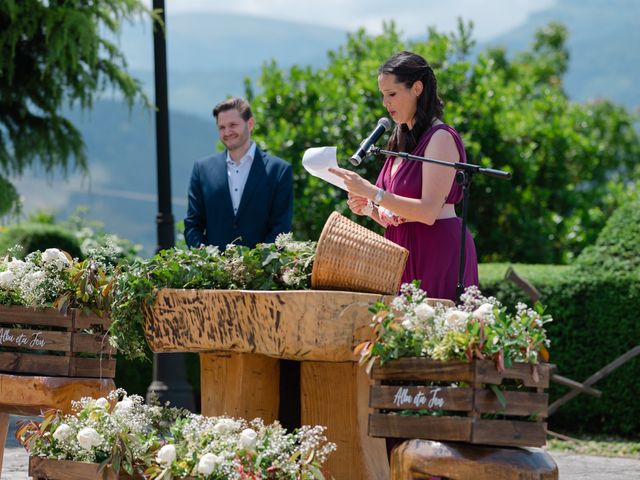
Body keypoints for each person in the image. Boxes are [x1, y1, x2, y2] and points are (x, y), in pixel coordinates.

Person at [329, 51, 478, 301]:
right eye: (383, 96)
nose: (386, 104)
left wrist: (372, 193)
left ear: (417, 88)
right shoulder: (398, 142)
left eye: (392, 94)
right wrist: (368, 208)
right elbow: (398, 218)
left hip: (437, 250)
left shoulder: (440, 137)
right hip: (399, 252)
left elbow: (428, 212)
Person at [184, 97, 293, 249]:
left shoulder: (279, 171)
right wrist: (208, 261)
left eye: (233, 125)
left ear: (250, 124)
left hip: (262, 271)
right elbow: (192, 226)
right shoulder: (202, 170)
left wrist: (255, 265)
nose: (227, 132)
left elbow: (281, 228)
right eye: (221, 127)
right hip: (213, 271)